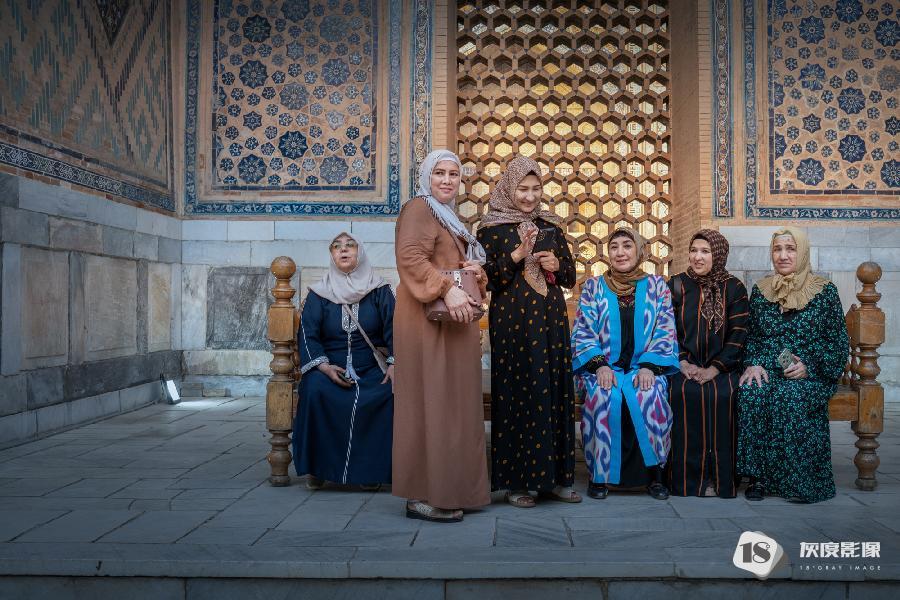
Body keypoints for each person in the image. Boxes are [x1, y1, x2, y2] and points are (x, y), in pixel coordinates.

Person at [392, 149, 490, 523]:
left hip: (452, 321)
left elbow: (452, 265)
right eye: (439, 173)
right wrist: (447, 289)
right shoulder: (419, 208)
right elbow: (410, 258)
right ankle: (422, 494)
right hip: (426, 322)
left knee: (453, 405)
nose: (447, 180)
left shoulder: (448, 217)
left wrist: (475, 273)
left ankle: (453, 489)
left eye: (453, 174)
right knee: (429, 402)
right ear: (426, 177)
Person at [476, 155, 580, 508]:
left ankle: (558, 480)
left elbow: (569, 277)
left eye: (536, 189)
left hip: (550, 323)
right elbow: (487, 279)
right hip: (513, 325)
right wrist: (518, 254)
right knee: (518, 394)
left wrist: (557, 264)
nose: (530, 196)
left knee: (554, 392)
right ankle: (517, 483)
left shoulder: (551, 227)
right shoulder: (490, 230)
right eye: (523, 189)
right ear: (510, 188)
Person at [737, 226, 848, 504]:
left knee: (790, 394)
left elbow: (837, 342)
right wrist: (753, 364)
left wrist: (809, 366)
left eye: (790, 248)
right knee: (752, 391)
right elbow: (752, 337)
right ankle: (758, 477)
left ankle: (800, 479)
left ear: (803, 252)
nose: (783, 255)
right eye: (777, 249)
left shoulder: (824, 292)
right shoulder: (761, 291)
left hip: (812, 374)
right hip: (769, 368)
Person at [571, 227, 680, 500]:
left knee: (649, 395)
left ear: (639, 251)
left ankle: (654, 477)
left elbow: (665, 329)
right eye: (614, 246)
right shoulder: (593, 287)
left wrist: (649, 366)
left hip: (644, 368)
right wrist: (599, 365)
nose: (620, 252)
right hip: (603, 369)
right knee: (603, 395)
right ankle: (600, 476)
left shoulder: (657, 287)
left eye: (627, 246)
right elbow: (583, 331)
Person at [293, 232, 395, 490]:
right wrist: (323, 366)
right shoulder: (319, 293)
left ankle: (370, 471)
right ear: (332, 255)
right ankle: (318, 468)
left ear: (360, 253)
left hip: (371, 366)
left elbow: (395, 329)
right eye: (337, 246)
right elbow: (308, 333)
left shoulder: (379, 290)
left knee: (387, 392)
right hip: (329, 366)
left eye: (350, 245)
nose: (343, 250)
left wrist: (395, 364)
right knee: (314, 389)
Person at [667, 229, 749, 498]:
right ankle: (686, 481)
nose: (698, 257)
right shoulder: (676, 285)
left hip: (723, 368)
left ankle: (718, 479)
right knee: (682, 393)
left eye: (705, 251)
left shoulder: (734, 288)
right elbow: (666, 330)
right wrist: (682, 362)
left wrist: (715, 369)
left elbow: (739, 334)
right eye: (694, 251)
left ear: (719, 255)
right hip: (683, 366)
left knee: (722, 396)